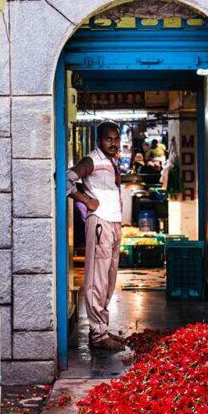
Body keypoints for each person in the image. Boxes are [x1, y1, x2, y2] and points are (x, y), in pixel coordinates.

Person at [68, 121, 127, 352]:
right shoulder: (91, 160)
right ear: (98, 141)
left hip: (114, 223)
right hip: (100, 222)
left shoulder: (111, 161)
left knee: (109, 279)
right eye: (108, 139)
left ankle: (101, 328)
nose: (113, 143)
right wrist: (87, 201)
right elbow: (65, 178)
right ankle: (96, 335)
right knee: (97, 280)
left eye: (115, 139)